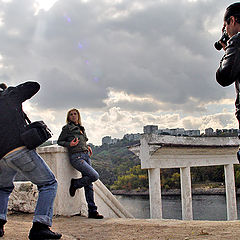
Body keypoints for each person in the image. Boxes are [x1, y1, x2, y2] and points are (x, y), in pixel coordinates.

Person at [0, 81, 62, 239]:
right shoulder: (9, 97)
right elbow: (34, 86)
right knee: (48, 183)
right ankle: (40, 226)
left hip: (1, 157)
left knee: (3, 188)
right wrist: (10, 91)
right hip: (19, 150)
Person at [57, 108, 103, 219]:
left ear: (78, 116)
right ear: (68, 117)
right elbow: (60, 141)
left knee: (89, 185)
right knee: (94, 176)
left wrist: (86, 147)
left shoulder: (81, 128)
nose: (73, 116)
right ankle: (75, 184)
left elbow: (83, 141)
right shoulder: (67, 128)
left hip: (86, 155)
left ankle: (92, 211)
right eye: (71, 114)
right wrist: (70, 144)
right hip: (76, 157)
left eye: (75, 114)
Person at [216, 2, 240, 132]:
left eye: (225, 26)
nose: (226, 31)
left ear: (232, 20)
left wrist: (228, 51)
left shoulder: (237, 41)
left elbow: (223, 77)